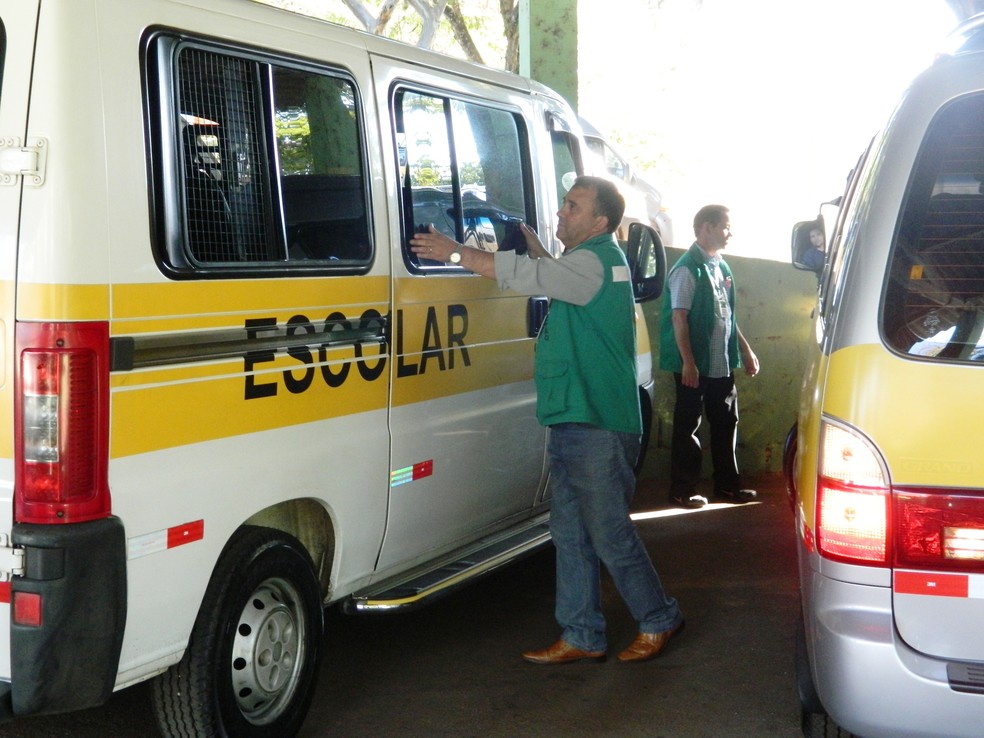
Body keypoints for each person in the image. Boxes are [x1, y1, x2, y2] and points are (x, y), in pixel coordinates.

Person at [410, 176, 683, 664]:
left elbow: (531, 278)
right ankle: (581, 634)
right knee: (570, 533)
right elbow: (553, 273)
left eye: (573, 207)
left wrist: (455, 253)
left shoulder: (595, 263)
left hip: (596, 423)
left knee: (609, 534)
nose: (561, 212)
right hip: (577, 418)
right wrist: (537, 249)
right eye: (563, 203)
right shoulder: (595, 261)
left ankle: (659, 618)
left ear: (600, 221)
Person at [659, 204, 760, 509]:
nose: (730, 232)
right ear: (706, 227)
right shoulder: (687, 269)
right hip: (695, 364)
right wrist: (688, 363)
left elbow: (727, 314)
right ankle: (682, 491)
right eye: (725, 226)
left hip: (720, 362)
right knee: (688, 425)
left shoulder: (721, 267)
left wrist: (744, 348)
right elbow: (679, 319)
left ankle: (728, 487)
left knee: (726, 422)